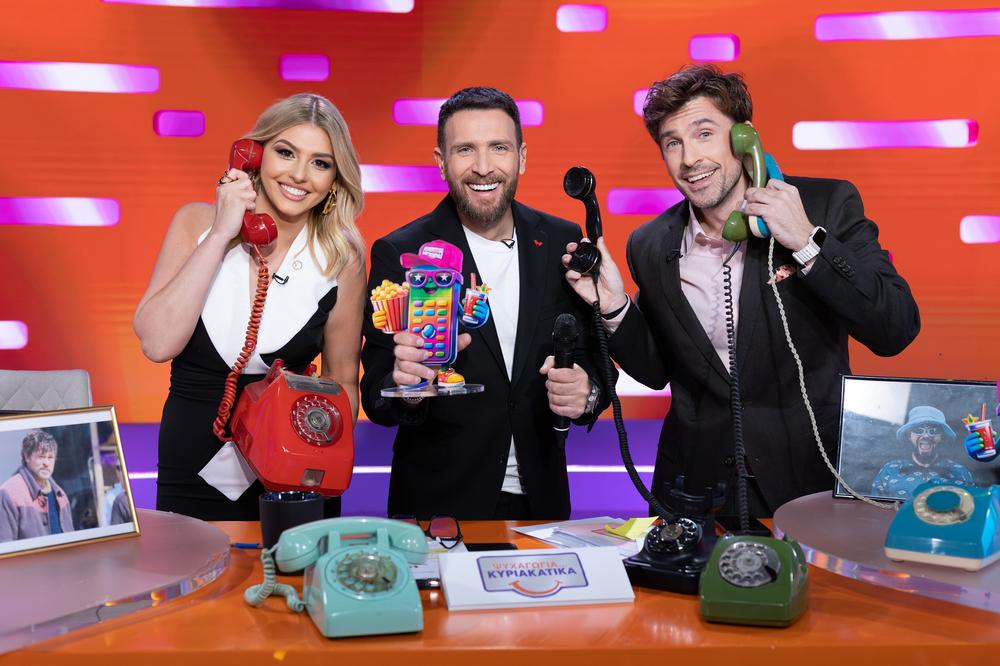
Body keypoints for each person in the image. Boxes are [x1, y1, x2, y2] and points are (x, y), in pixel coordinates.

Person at [562, 65, 921, 517]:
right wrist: (615, 307)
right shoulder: (649, 243)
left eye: (704, 133)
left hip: (807, 484)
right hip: (695, 493)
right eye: (673, 143)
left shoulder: (826, 205)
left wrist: (807, 241)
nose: (689, 159)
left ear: (744, 137)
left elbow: (895, 328)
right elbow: (657, 371)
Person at [361, 87, 613, 520]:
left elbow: (596, 359)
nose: (482, 166)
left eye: (499, 147)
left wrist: (587, 392)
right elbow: (376, 394)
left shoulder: (562, 240)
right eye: (465, 149)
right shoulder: (401, 252)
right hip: (439, 509)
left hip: (542, 504)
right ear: (441, 161)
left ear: (522, 157)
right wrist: (408, 388)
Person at [134, 93, 366, 520]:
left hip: (294, 475)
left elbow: (343, 382)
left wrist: (318, 461)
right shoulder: (196, 223)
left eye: (320, 163)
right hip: (192, 466)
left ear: (335, 178)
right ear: (254, 155)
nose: (299, 174)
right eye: (285, 152)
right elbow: (157, 343)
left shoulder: (342, 257)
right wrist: (221, 233)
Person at [871, 405, 974, 501]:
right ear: (909, 435)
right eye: (918, 430)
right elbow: (874, 510)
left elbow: (973, 508)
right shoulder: (890, 470)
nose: (926, 436)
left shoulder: (959, 472)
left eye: (933, 431)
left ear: (942, 437)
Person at [0, 430, 75, 541]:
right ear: (27, 456)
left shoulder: (61, 496)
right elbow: (4, 546)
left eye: (50, 457)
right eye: (41, 456)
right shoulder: (9, 493)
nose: (46, 463)